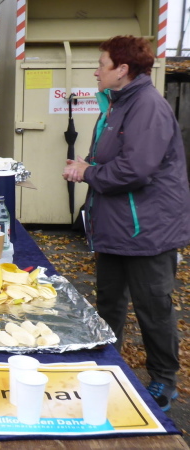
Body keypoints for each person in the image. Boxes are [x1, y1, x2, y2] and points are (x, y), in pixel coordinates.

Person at [63, 35, 190, 412]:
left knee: (153, 307)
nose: (95, 71)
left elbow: (136, 169)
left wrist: (88, 172)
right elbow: (109, 157)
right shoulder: (116, 104)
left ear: (122, 69)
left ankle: (164, 379)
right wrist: (86, 165)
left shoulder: (147, 106)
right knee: (109, 301)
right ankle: (106, 365)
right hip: (116, 224)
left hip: (147, 229)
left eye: (101, 65)